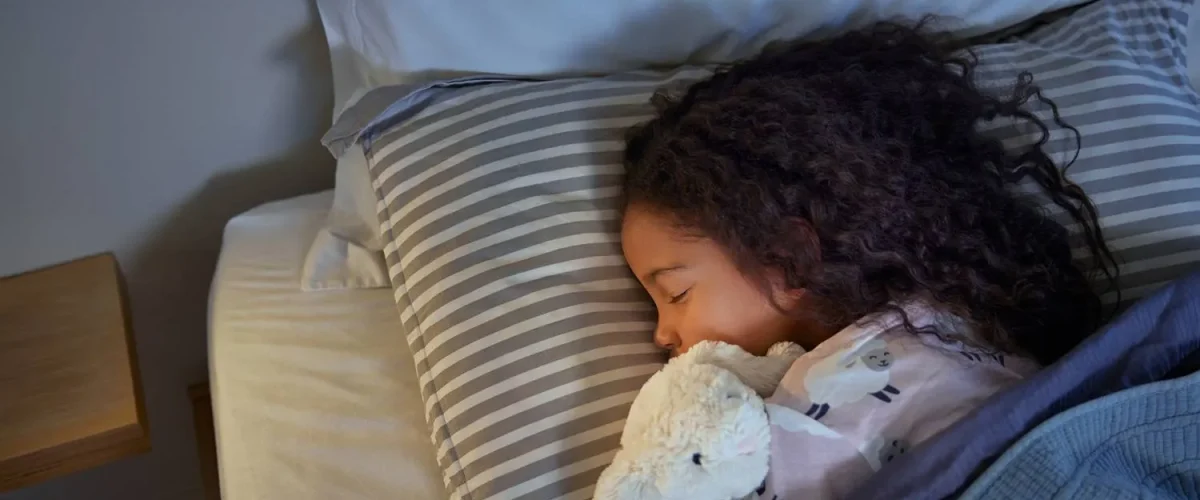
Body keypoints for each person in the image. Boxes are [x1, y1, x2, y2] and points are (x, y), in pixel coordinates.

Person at [619, 21, 1118, 498]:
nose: (660, 335)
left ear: (789, 257)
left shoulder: (829, 396)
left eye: (676, 293)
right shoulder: (975, 321)